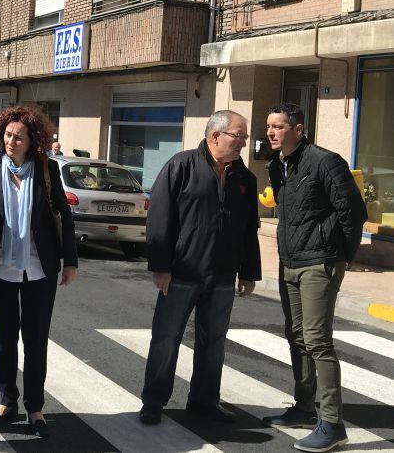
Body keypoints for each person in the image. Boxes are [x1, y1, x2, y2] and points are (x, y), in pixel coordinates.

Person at [139, 110, 261, 426]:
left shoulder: (245, 178)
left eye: (245, 137)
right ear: (215, 135)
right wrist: (161, 267)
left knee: (214, 341)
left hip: (222, 275)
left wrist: (249, 272)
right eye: (239, 135)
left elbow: (249, 229)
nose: (243, 143)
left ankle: (205, 401)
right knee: (166, 339)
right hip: (181, 273)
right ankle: (153, 402)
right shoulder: (180, 166)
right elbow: (159, 219)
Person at [262, 103, 366, 453]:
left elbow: (354, 212)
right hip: (290, 261)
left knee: (318, 340)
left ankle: (332, 424)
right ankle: (305, 408)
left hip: (320, 262)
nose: (271, 133)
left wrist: (341, 257)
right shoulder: (279, 166)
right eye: (269, 127)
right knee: (296, 335)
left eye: (278, 126)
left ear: (299, 129)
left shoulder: (325, 161)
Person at [0, 104, 78, 438]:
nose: (11, 141)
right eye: (7, 135)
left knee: (35, 341)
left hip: (39, 269)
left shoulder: (47, 170)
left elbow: (64, 214)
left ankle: (35, 407)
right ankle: (7, 401)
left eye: (19, 137)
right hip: (0, 269)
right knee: (5, 339)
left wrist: (70, 261)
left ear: (34, 140)